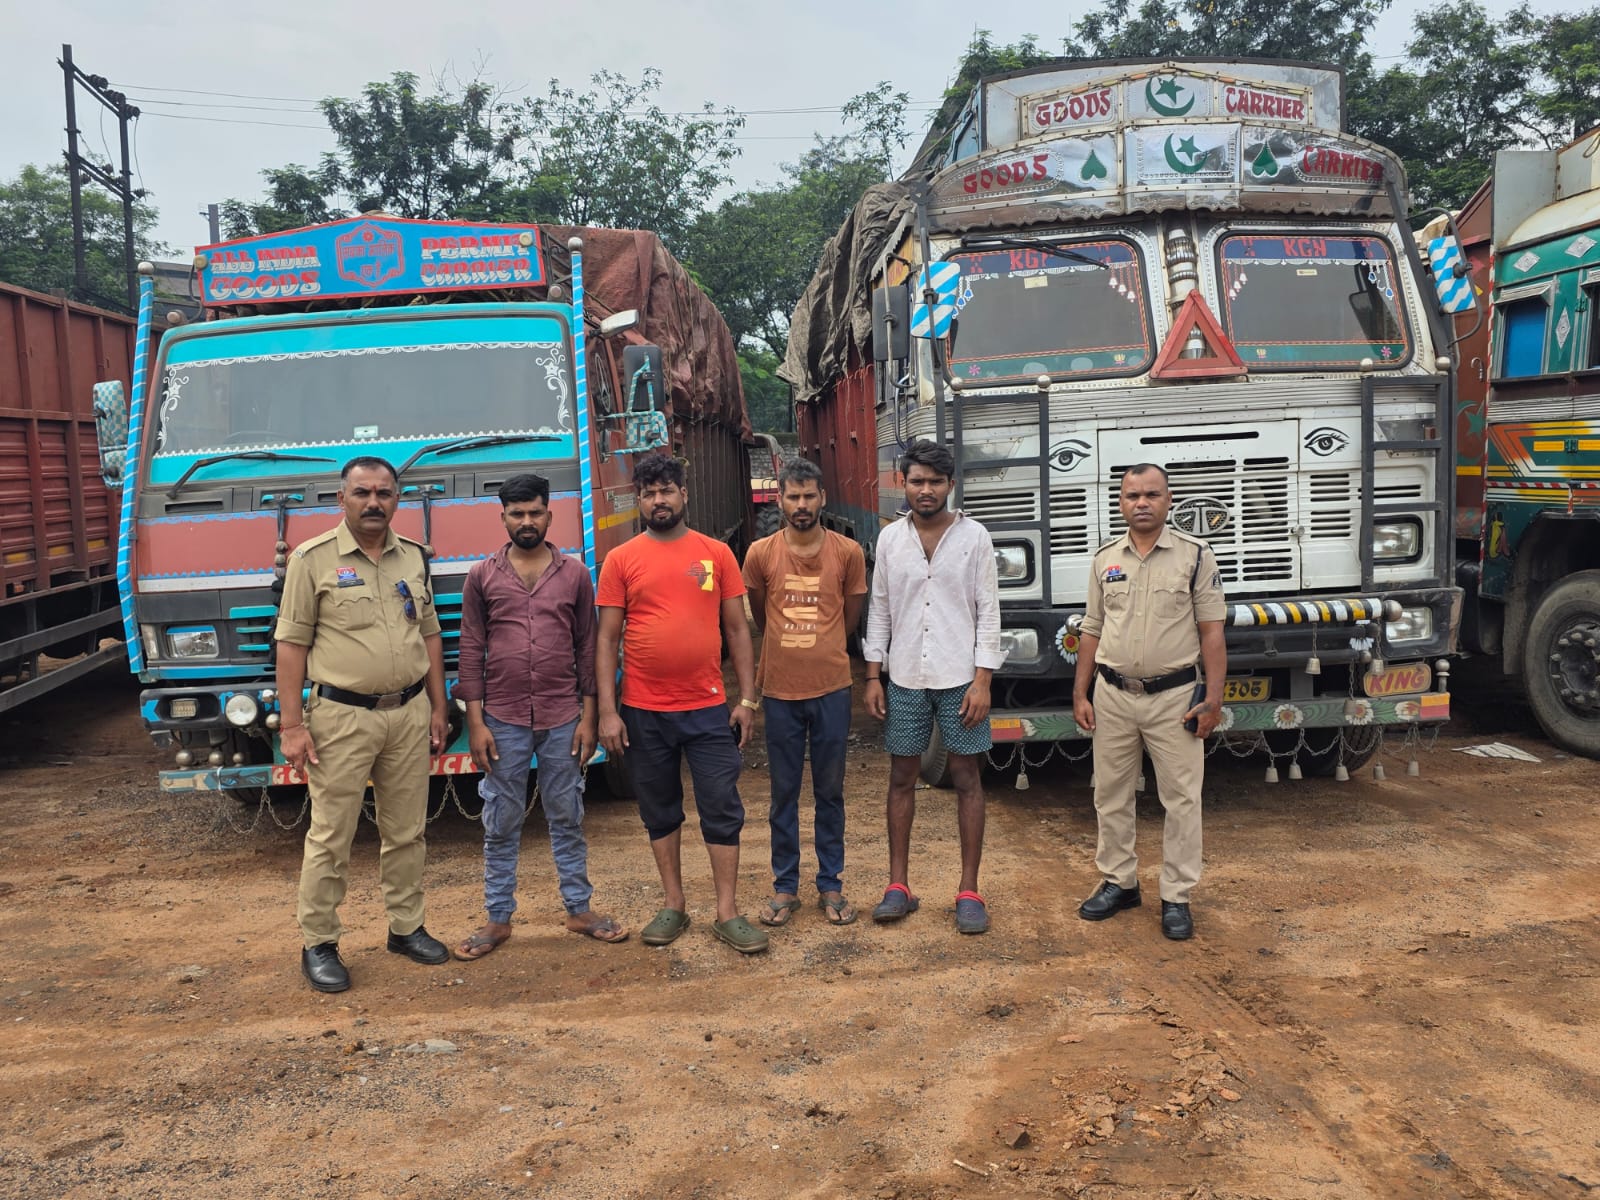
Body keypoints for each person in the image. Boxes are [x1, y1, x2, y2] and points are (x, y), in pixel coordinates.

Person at [274, 456, 450, 993]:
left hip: (408, 713)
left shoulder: (413, 557)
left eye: (384, 493)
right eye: (362, 493)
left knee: (407, 830)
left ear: (397, 498)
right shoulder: (312, 560)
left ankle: (406, 927)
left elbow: (429, 634)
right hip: (342, 718)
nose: (374, 502)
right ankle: (320, 942)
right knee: (332, 834)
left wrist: (439, 706)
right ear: (341, 498)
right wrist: (291, 725)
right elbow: (291, 644)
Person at [596, 452, 768, 954]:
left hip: (708, 708)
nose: (658, 500)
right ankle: (673, 904)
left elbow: (737, 629)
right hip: (644, 710)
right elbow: (606, 639)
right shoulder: (621, 560)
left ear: (683, 494)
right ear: (638, 500)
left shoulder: (715, 553)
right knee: (659, 809)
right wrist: (608, 711)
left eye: (666, 490)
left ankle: (727, 912)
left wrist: (748, 700)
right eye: (649, 493)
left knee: (721, 806)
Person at [452, 473, 627, 961]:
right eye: (517, 513)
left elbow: (587, 647)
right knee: (500, 819)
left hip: (562, 716)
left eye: (534, 512)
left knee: (566, 813)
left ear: (550, 515)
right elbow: (471, 649)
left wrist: (588, 718)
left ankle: (579, 909)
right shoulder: (482, 576)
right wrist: (476, 723)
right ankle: (497, 917)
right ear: (503, 518)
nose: (526, 521)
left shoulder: (574, 575)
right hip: (502, 718)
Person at [1071, 463, 1227, 941]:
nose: (1141, 503)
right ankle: (1119, 882)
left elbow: (1212, 632)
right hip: (1112, 695)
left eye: (1151, 494)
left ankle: (1177, 895)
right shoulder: (1105, 559)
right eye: (1132, 495)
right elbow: (1092, 628)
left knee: (1181, 799)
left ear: (1168, 500)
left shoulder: (1195, 556)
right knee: (1110, 794)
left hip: (1174, 698)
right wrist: (1080, 691)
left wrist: (1213, 699)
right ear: (1120, 502)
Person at [861, 439, 1005, 935]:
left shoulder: (975, 537)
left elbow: (989, 611)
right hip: (904, 678)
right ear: (903, 483)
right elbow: (880, 609)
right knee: (902, 777)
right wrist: (873, 675)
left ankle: (969, 891)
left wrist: (983, 680)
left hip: (961, 679)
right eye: (918, 481)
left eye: (935, 482)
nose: (926, 490)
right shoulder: (890, 540)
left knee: (967, 778)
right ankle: (897, 886)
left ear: (950, 485)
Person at [742, 458, 868, 928]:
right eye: (792, 496)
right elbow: (760, 613)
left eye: (808, 496)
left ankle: (831, 884)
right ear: (779, 500)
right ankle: (785, 886)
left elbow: (850, 616)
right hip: (780, 691)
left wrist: (823, 646)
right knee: (784, 793)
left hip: (832, 688)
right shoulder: (760, 554)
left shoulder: (847, 553)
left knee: (830, 791)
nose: (801, 505)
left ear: (822, 499)